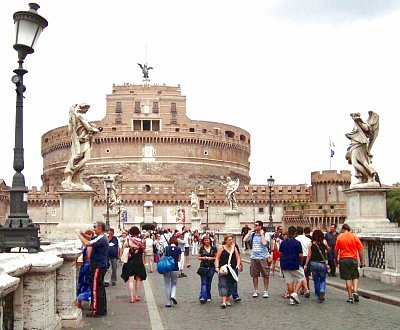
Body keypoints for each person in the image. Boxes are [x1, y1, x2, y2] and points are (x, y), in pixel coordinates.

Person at [62, 103, 101, 190]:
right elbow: (89, 128)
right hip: (82, 140)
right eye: (86, 108)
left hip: (84, 139)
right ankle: (71, 172)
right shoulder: (80, 116)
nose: (87, 110)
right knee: (85, 158)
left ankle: (76, 177)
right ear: (82, 108)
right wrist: (97, 130)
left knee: (84, 158)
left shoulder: (78, 116)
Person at [76, 221, 109, 317]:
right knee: (100, 287)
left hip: (98, 266)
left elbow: (87, 243)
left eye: (95, 227)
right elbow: (90, 238)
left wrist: (79, 235)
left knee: (95, 288)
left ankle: (96, 310)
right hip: (100, 265)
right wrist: (82, 233)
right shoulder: (101, 238)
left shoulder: (101, 239)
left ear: (100, 228)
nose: (94, 229)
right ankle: (102, 309)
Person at [345, 111, 380, 185]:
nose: (353, 117)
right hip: (354, 144)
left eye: (354, 116)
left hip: (360, 144)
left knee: (361, 162)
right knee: (354, 162)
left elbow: (366, 129)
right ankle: (361, 178)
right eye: (353, 116)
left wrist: (359, 122)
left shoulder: (361, 123)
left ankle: (369, 176)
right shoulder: (355, 125)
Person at [334, 224, 364, 303]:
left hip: (343, 259)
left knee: (348, 278)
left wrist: (336, 260)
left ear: (343, 229)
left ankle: (350, 297)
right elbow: (360, 250)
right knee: (355, 276)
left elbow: (336, 250)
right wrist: (361, 261)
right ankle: (355, 291)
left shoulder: (340, 237)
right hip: (353, 259)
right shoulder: (354, 237)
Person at [243, 220, 271, 298]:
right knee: (254, 275)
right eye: (254, 225)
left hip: (263, 257)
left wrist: (262, 234)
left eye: (256, 225)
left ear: (260, 226)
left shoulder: (266, 234)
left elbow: (264, 243)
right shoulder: (253, 234)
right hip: (254, 257)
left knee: (265, 275)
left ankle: (265, 291)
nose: (254, 226)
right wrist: (250, 231)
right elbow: (244, 240)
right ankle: (256, 290)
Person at [279, 226, 305, 305]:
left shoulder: (283, 242)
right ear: (295, 233)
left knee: (289, 281)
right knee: (301, 277)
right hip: (294, 262)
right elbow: (300, 255)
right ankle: (295, 293)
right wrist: (300, 262)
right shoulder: (297, 243)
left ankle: (291, 299)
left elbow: (280, 253)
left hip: (284, 263)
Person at [121, 226, 147, 303]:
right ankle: (137, 295)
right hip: (138, 262)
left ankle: (131, 297)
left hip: (130, 262)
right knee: (138, 279)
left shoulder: (128, 240)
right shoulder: (142, 241)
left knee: (131, 280)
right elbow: (144, 251)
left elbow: (123, 250)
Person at [214, 234, 241, 308]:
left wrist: (238, 265)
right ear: (225, 240)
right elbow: (217, 258)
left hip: (232, 269)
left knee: (231, 284)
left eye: (232, 239)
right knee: (223, 284)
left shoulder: (234, 248)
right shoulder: (221, 248)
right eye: (229, 240)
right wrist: (217, 267)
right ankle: (223, 302)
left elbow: (238, 258)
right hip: (223, 268)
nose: (231, 241)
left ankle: (227, 300)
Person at [304, 229, 330, 303]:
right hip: (322, 263)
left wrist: (305, 265)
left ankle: (318, 295)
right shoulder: (324, 242)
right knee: (322, 279)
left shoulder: (311, 243)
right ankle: (322, 290)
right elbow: (328, 249)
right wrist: (325, 246)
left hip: (313, 263)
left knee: (316, 280)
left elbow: (309, 255)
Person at [76, 230, 94, 309]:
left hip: (84, 266)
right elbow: (89, 257)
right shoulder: (89, 245)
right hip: (87, 266)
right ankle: (91, 304)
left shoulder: (87, 245)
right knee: (89, 284)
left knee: (82, 283)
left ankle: (79, 303)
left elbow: (87, 256)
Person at [197, 236, 217, 303]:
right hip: (203, 266)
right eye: (205, 240)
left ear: (210, 241)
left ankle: (208, 295)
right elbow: (198, 257)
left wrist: (211, 258)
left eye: (207, 240)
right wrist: (204, 258)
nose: (206, 241)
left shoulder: (214, 248)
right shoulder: (202, 248)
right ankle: (203, 297)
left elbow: (216, 257)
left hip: (211, 266)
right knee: (204, 282)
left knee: (209, 282)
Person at [163, 236, 181, 307]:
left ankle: (168, 302)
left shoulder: (167, 248)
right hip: (175, 268)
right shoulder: (178, 249)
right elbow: (179, 259)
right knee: (174, 284)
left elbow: (163, 257)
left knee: (167, 284)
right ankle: (173, 295)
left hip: (167, 268)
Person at [295, 226, 311, 298]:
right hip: (307, 257)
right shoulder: (308, 240)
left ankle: (300, 289)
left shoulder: (296, 239)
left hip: (299, 257)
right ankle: (306, 288)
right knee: (306, 274)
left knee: (299, 274)